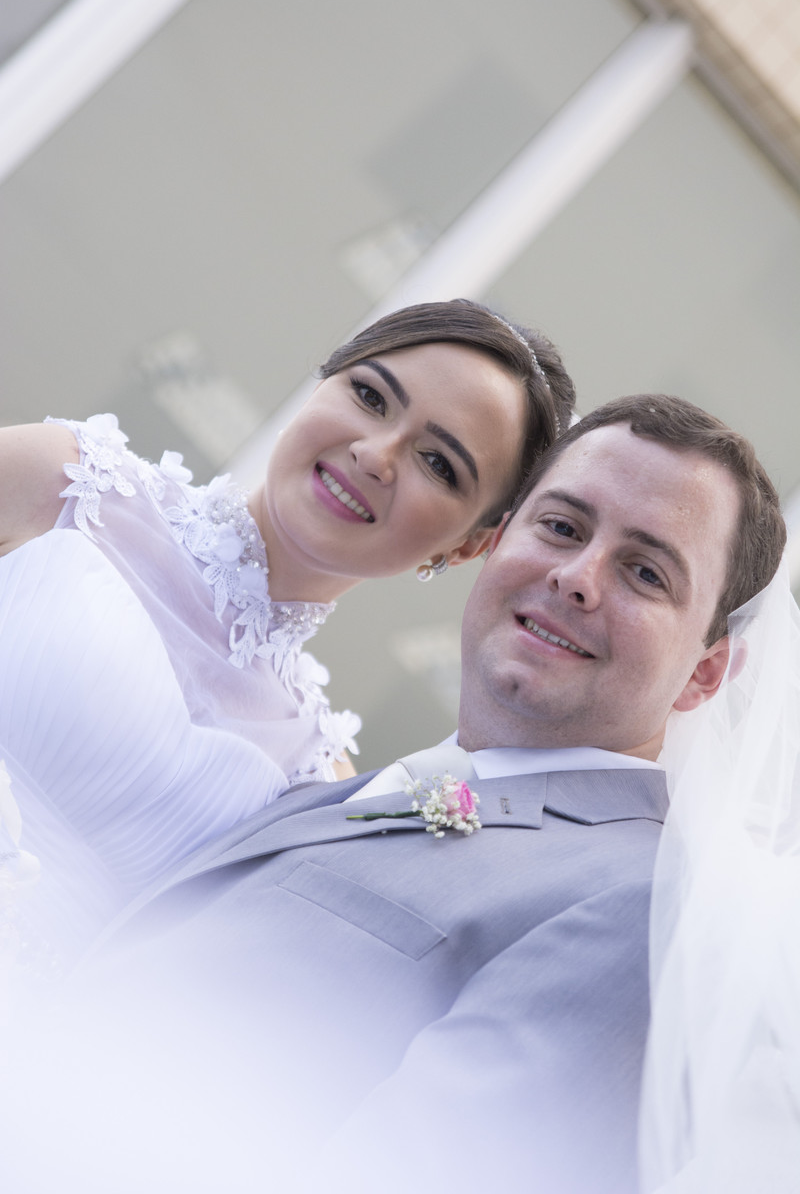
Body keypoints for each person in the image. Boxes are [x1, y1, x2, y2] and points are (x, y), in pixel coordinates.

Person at [3, 393, 787, 1194]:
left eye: (646, 572)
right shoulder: (350, 788)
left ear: (705, 672)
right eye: (561, 526)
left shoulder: (650, 918)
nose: (577, 577)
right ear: (499, 541)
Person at [0, 299, 575, 972]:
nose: (376, 453)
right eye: (369, 396)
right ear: (323, 380)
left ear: (470, 544)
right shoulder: (68, 484)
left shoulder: (314, 787)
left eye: (439, 464)